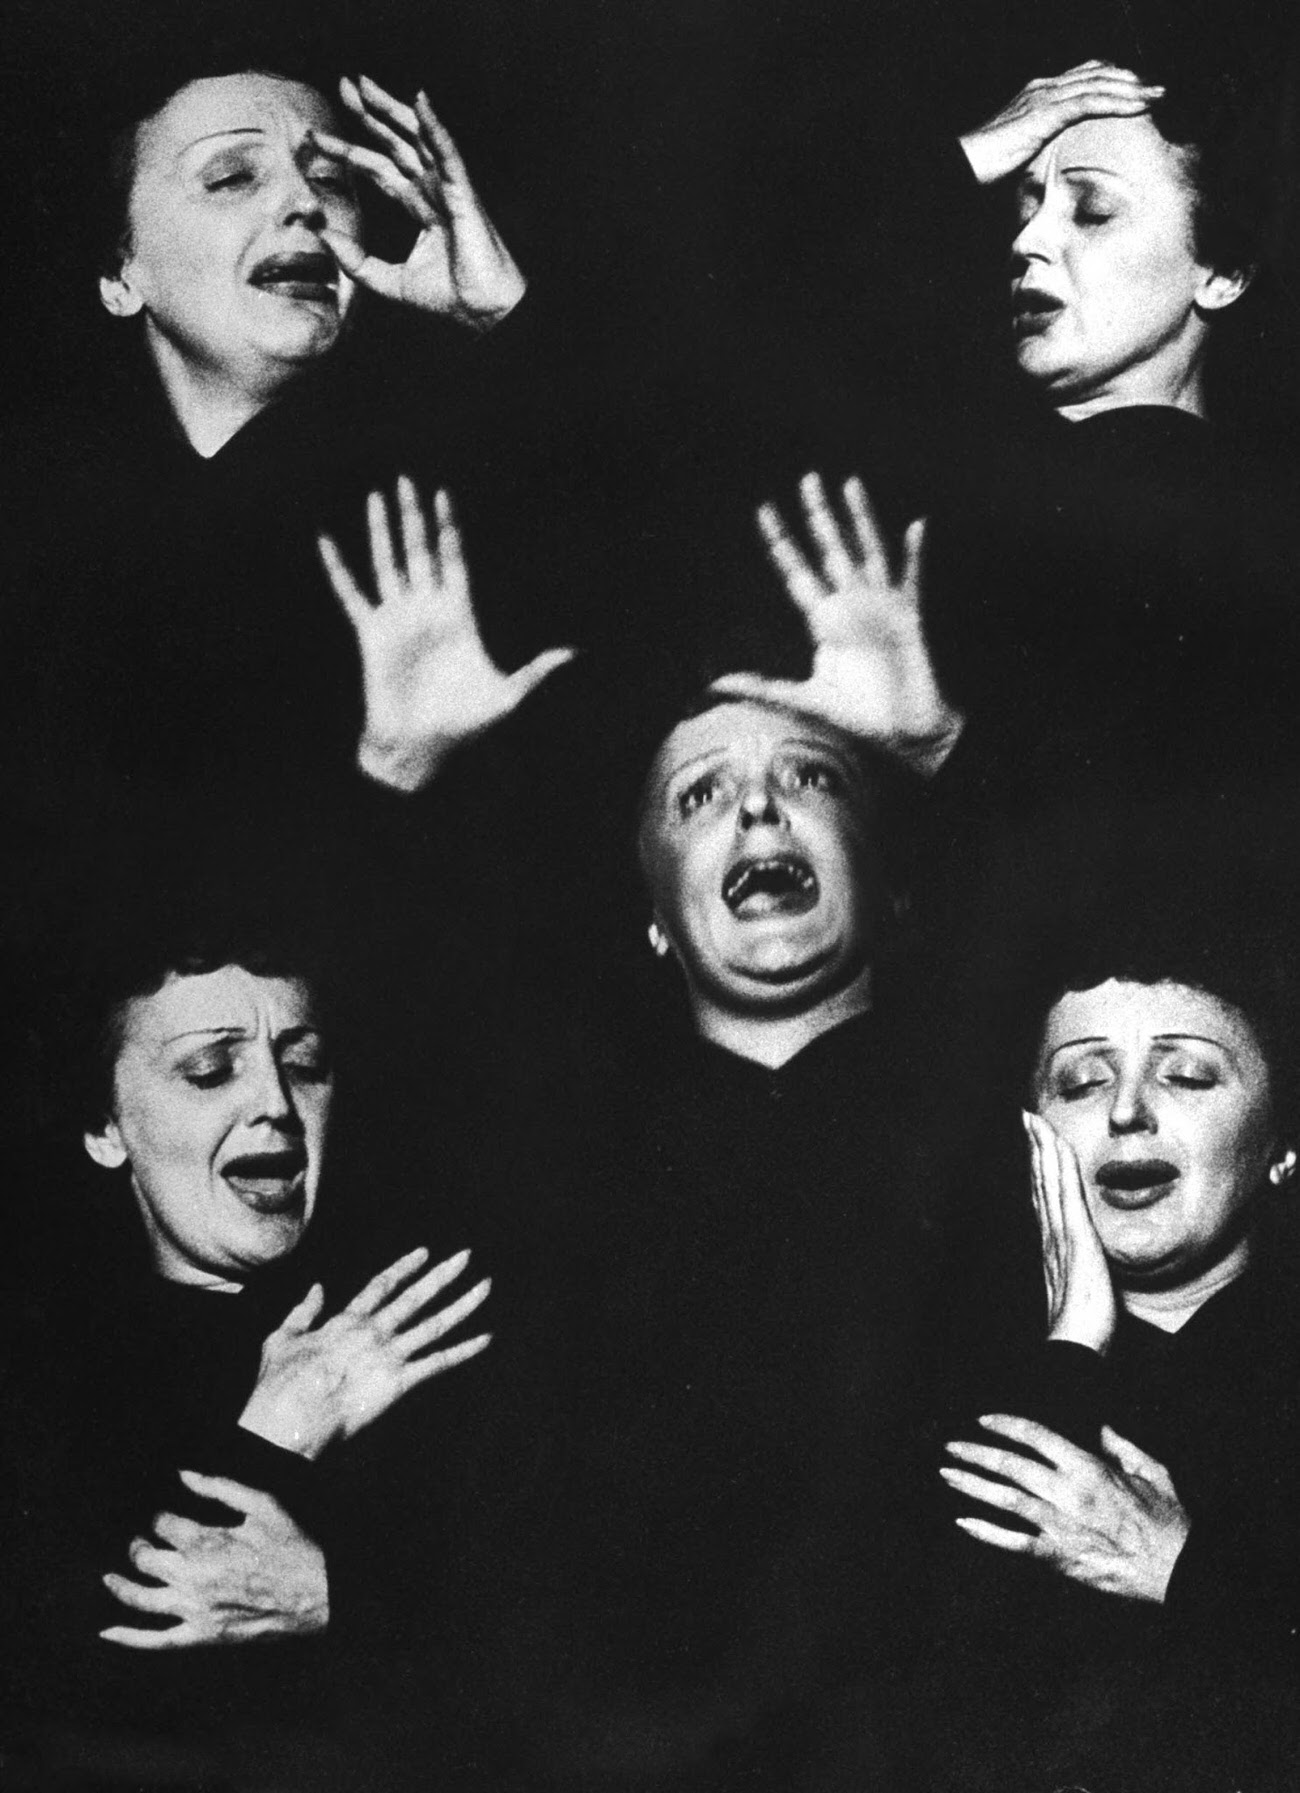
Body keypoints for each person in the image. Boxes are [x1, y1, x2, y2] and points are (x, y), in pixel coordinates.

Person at [3, 902, 492, 1769]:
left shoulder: (429, 1322)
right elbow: (89, 1698)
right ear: (105, 1129)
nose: (276, 1104)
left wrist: (335, 1595)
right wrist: (278, 1431)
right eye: (208, 1068)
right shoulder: (43, 1388)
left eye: (303, 1063)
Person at [931, 899, 1300, 1791]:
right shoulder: (938, 1372)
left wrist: (1180, 1566)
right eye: (1084, 1081)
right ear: (1034, 1136)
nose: (1129, 1110)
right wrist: (1074, 1347)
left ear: (1285, 1145)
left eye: (1188, 1075)